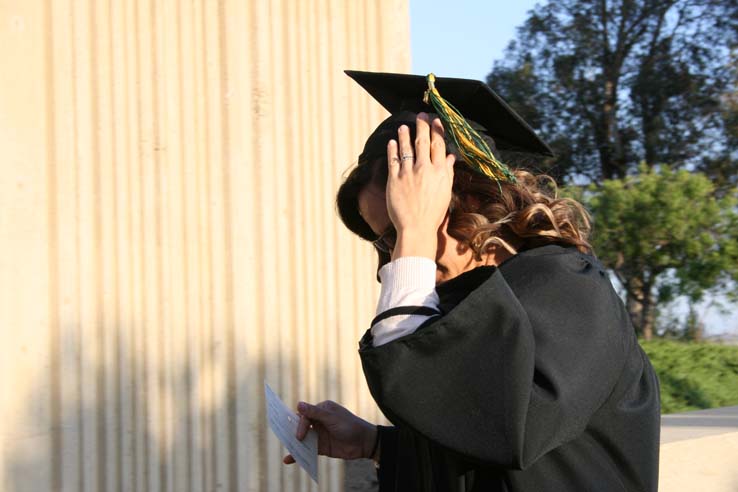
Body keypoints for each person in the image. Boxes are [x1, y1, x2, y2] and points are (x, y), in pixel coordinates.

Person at [283, 71, 660, 491]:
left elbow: (513, 430)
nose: (395, 253)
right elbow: (475, 444)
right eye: (385, 239)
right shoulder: (472, 302)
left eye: (402, 222)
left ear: (473, 197)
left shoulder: (570, 290)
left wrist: (415, 233)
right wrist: (375, 444)